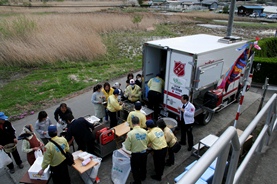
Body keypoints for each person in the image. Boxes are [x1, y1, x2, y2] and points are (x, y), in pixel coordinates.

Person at [123, 116, 149, 184]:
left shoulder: (130, 134)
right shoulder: (145, 131)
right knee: (143, 166)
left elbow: (127, 147)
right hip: (144, 153)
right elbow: (147, 141)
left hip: (135, 155)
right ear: (139, 122)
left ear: (132, 123)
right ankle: (143, 177)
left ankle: (137, 182)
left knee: (135, 169)